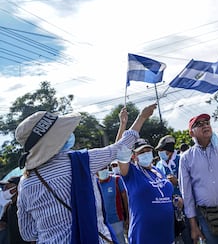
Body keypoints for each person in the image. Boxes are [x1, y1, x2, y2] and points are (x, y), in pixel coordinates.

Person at [16, 103, 157, 243]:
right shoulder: (81, 161)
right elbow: (121, 148)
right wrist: (142, 117)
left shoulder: (25, 182)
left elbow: (28, 233)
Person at [179, 114, 218, 244]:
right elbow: (187, 195)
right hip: (206, 216)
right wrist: (193, 226)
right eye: (199, 124)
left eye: (207, 122)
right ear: (191, 133)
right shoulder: (186, 158)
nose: (205, 126)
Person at [116, 108, 175, 244]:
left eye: (148, 150)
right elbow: (119, 149)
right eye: (142, 152)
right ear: (134, 156)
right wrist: (125, 124)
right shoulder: (131, 172)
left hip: (167, 236)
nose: (146, 153)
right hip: (144, 237)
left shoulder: (157, 171)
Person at [155, 135, 192, 243]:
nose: (160, 153)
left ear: (169, 150)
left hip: (186, 206)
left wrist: (177, 182)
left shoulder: (182, 160)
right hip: (170, 208)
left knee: (189, 236)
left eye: (162, 150)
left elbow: (193, 181)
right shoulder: (159, 165)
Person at [97, 165, 129, 244]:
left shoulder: (116, 180)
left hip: (117, 221)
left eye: (105, 168)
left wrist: (128, 217)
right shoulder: (95, 183)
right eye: (101, 169)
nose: (103, 170)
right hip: (102, 224)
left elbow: (125, 199)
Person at [0, 176, 32, 244]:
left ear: (17, 188)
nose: (4, 189)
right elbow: (2, 224)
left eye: (7, 187)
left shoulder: (27, 204)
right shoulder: (8, 207)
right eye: (3, 187)